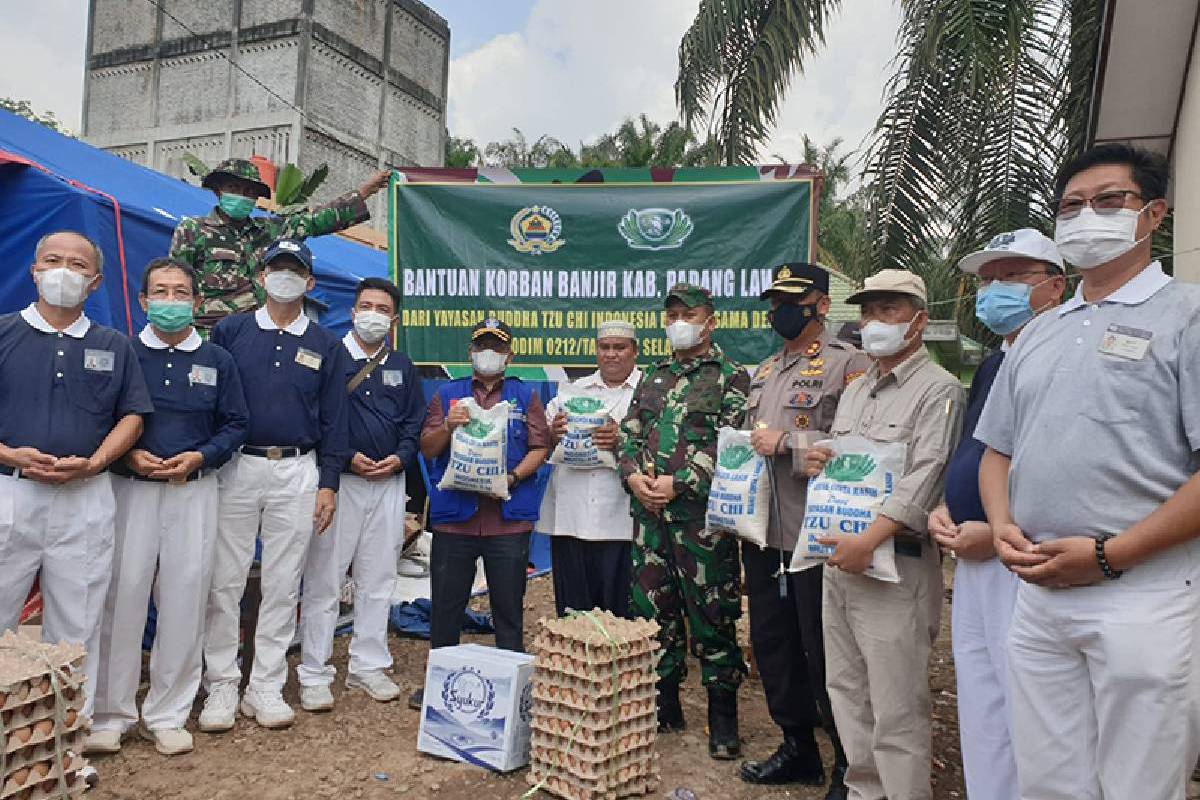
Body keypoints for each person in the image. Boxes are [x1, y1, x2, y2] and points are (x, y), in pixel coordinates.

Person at [976, 144, 1200, 800]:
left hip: (1143, 593)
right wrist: (1001, 525)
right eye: (1071, 206)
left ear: (1153, 214)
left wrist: (1108, 555)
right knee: (1049, 782)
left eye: (1109, 201)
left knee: (1138, 785)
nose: (1086, 216)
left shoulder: (1187, 317)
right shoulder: (1042, 331)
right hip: (1040, 593)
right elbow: (997, 450)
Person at [802, 269, 964, 800]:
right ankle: (864, 792)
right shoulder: (857, 389)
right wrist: (823, 455)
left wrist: (869, 540)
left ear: (918, 321)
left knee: (896, 707)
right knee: (847, 694)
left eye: (888, 310)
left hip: (895, 569)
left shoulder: (937, 390)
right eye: (868, 311)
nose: (874, 322)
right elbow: (857, 465)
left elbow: (926, 476)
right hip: (841, 565)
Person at [89, 258, 249, 756]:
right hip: (131, 491)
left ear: (197, 304)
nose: (171, 301)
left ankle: (169, 712)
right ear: (142, 300)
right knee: (124, 594)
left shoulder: (218, 360)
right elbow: (99, 418)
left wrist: (201, 456)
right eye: (161, 291)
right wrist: (128, 455)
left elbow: (236, 423)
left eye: (181, 292)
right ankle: (111, 713)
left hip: (192, 490)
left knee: (185, 597)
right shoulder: (124, 353)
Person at [926, 230, 1064, 800]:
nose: (993, 291)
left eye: (1012, 277)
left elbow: (1062, 468)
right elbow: (975, 453)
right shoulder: (992, 364)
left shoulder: (1063, 358)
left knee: (1029, 709)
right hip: (974, 556)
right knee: (981, 705)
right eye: (987, 280)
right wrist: (944, 508)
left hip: (1026, 557)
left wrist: (1001, 529)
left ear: (1053, 288)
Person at [0, 231, 153, 723]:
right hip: (10, 491)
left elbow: (132, 416)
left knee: (78, 620)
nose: (64, 271)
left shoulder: (113, 344)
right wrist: (11, 454)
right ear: (35, 269)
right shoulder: (4, 332)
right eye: (53, 260)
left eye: (78, 265)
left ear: (95, 282)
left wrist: (94, 463)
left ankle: (67, 737)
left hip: (85, 498)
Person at [200, 238, 350, 731]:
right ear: (262, 277)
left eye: (295, 271)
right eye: (276, 268)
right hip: (237, 466)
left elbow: (335, 419)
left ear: (310, 282)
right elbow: (211, 401)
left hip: (297, 469)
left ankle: (264, 686)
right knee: (225, 579)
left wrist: (328, 482)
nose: (284, 277)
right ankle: (221, 684)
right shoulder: (231, 330)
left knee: (285, 582)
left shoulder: (326, 344)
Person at [739, 263, 869, 797]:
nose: (779, 311)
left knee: (824, 649)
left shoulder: (849, 365)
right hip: (764, 529)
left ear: (821, 303)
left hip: (818, 532)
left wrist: (790, 444)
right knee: (773, 641)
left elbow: (859, 443)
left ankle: (846, 759)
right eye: (774, 302)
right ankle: (797, 746)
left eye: (791, 300)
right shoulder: (766, 370)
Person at [618, 283, 750, 760]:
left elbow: (732, 443)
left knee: (713, 616)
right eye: (672, 312)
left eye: (687, 312)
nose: (678, 320)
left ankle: (723, 717)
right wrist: (634, 478)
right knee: (654, 613)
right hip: (650, 519)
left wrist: (681, 483)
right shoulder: (653, 374)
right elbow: (629, 434)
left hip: (700, 521)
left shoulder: (731, 377)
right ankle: (665, 704)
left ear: (709, 320)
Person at [297, 277, 423, 711]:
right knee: (325, 578)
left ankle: (367, 665)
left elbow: (413, 422)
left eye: (381, 308)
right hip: (341, 482)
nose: (372, 314)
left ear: (394, 318)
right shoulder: (330, 357)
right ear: (352, 312)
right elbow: (315, 416)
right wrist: (347, 458)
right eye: (365, 305)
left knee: (378, 577)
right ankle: (314, 671)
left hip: (388, 484)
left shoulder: (402, 366)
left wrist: (401, 458)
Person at [413, 318, 550, 706]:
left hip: (508, 521)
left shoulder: (527, 397)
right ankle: (440, 683)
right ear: (471, 352)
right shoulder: (448, 395)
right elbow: (427, 448)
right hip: (455, 520)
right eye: (482, 346)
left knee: (507, 608)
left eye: (497, 347)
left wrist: (512, 477)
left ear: (509, 354)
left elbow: (541, 447)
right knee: (446, 606)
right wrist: (449, 427)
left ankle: (510, 692)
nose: (488, 353)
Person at [169, 159, 389, 331]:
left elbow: (316, 220)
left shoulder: (270, 231)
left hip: (258, 337)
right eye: (234, 188)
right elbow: (176, 289)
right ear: (218, 190)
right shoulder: (193, 230)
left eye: (248, 193)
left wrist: (365, 191)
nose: (241, 196)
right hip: (211, 335)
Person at [540, 320, 642, 617]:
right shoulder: (572, 392)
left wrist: (621, 438)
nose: (612, 354)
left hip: (622, 520)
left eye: (620, 347)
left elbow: (661, 447)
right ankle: (577, 664)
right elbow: (543, 445)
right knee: (574, 614)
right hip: (571, 518)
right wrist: (552, 433)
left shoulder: (649, 391)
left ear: (634, 351)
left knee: (620, 615)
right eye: (605, 347)